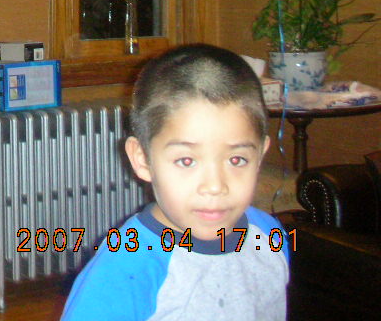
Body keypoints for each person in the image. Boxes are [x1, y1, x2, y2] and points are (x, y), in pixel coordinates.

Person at [60, 44, 289, 320]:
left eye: (236, 160)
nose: (215, 186)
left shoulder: (269, 236)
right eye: (186, 161)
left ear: (260, 156)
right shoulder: (122, 271)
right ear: (143, 159)